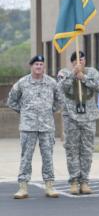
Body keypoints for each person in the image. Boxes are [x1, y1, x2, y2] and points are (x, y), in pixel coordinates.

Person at [7, 55, 62, 199]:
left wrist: (50, 111)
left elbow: (60, 100)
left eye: (41, 64)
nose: (38, 67)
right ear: (31, 66)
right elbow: (11, 100)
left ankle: (49, 186)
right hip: (28, 126)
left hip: (46, 126)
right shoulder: (22, 83)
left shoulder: (51, 83)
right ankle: (23, 187)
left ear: (44, 67)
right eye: (36, 64)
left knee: (48, 156)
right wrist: (24, 112)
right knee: (26, 157)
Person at [57, 50, 99, 195]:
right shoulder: (64, 73)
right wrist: (73, 74)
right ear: (72, 63)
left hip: (88, 118)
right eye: (77, 61)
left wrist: (83, 77)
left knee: (87, 150)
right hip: (71, 117)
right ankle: (74, 181)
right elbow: (60, 88)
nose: (80, 63)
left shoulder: (92, 72)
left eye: (82, 60)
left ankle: (84, 181)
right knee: (72, 150)